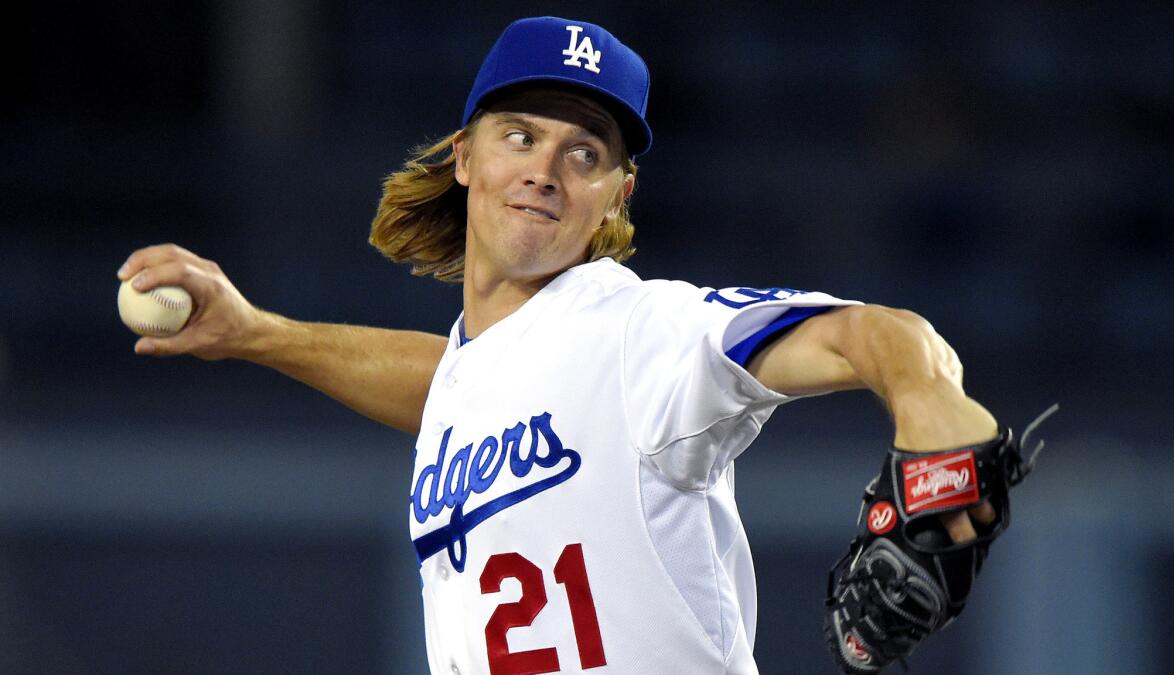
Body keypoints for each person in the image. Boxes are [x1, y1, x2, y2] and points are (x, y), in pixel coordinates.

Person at [118, 16, 1000, 674]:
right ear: (464, 156)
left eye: (585, 153)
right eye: (521, 136)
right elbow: (454, 384)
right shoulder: (488, 371)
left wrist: (922, 388)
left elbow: (869, 335)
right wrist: (256, 332)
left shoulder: (638, 332)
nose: (544, 168)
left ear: (618, 194)